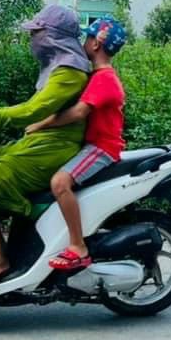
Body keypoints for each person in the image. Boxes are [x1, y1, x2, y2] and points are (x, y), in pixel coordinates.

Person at [0, 5, 90, 291]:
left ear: (53, 35)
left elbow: (30, 112)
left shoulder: (69, 70)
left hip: (51, 149)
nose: (32, 38)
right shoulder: (59, 65)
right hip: (38, 142)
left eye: (36, 32)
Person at [25, 17, 128, 270]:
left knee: (59, 183)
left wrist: (42, 124)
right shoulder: (97, 75)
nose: (82, 43)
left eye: (86, 38)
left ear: (95, 44)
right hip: (92, 144)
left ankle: (78, 246)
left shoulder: (104, 78)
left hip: (101, 148)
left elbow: (79, 112)